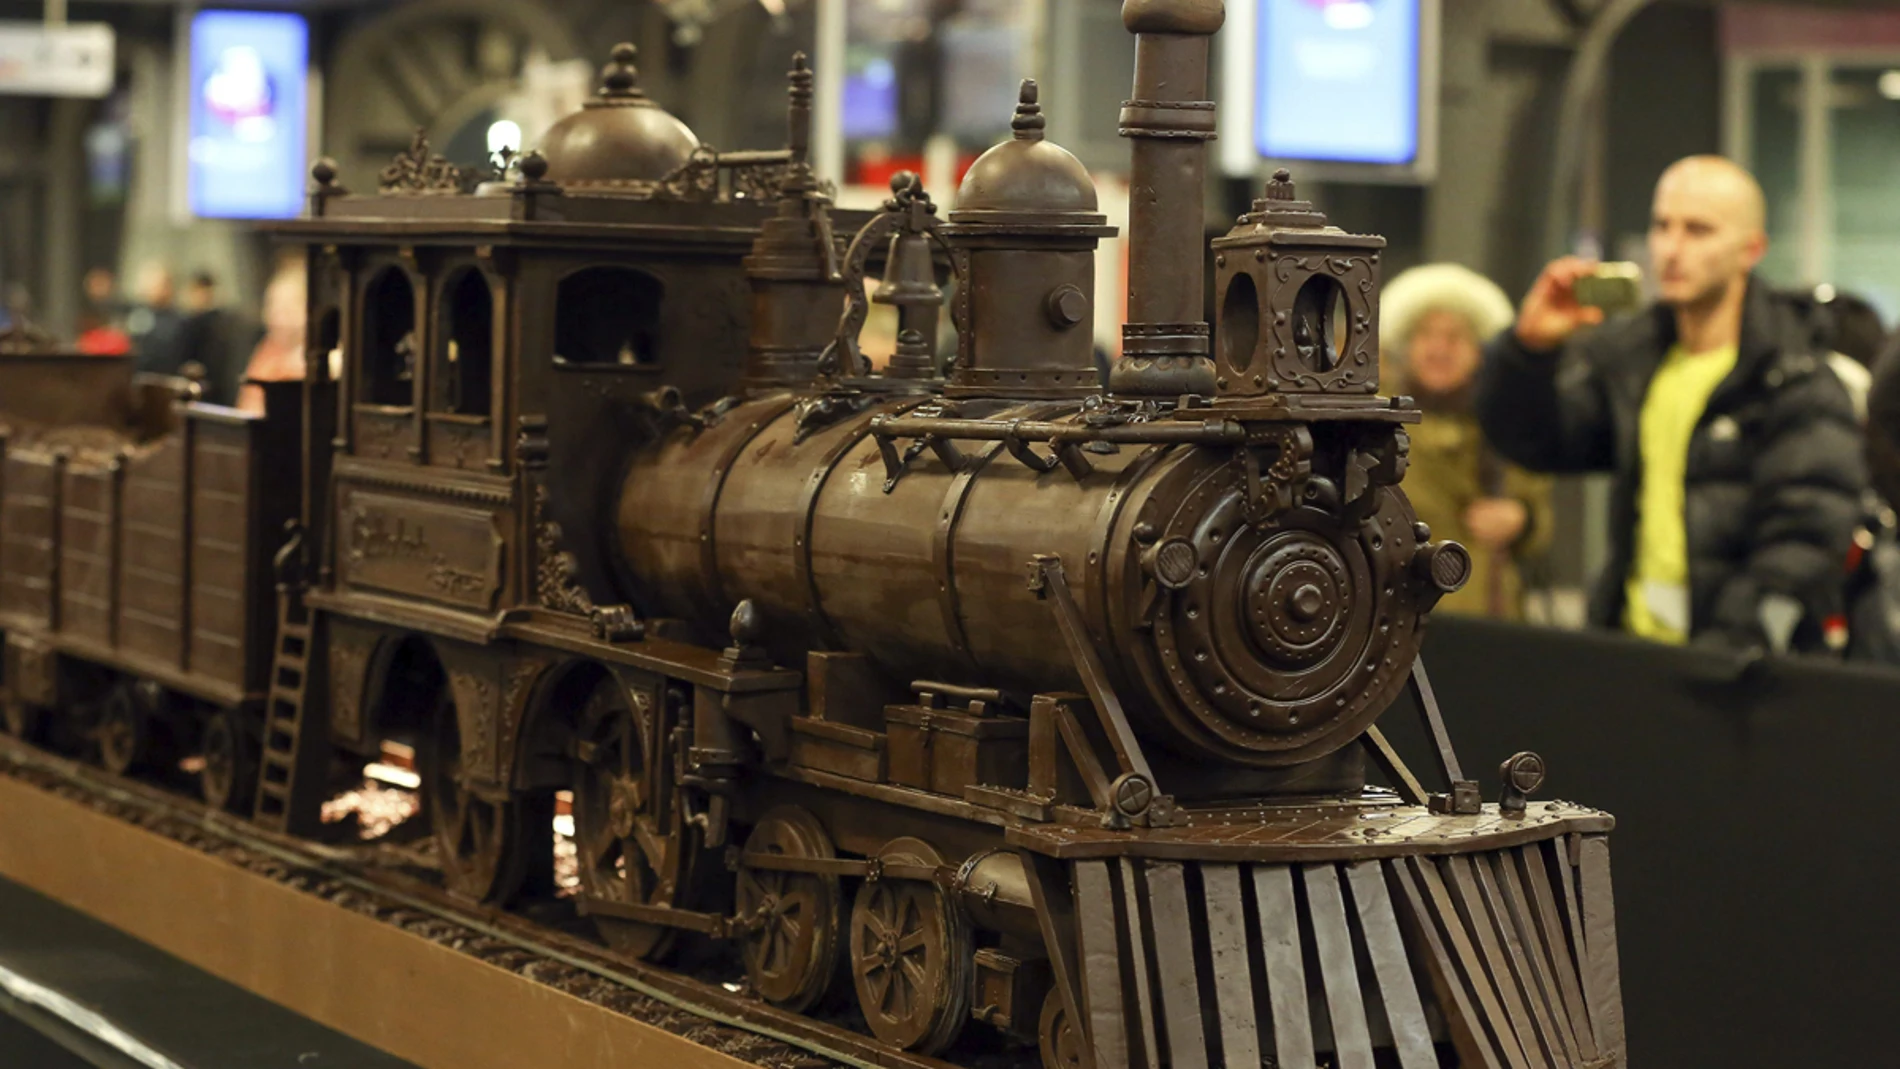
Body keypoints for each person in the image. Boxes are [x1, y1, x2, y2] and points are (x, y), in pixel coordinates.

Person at [1476, 155, 1865, 654]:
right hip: (1636, 653)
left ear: (1751, 249)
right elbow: (1535, 441)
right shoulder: (1637, 361)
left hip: (1740, 669)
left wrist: (1730, 645)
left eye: (1699, 230)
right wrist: (1530, 349)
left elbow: (1805, 540)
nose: (1672, 249)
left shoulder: (1793, 376)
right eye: (1662, 226)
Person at [1381, 263, 1553, 620]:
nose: (1439, 349)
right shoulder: (1374, 427)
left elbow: (1541, 517)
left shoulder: (1508, 426)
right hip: (1394, 617)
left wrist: (1521, 521)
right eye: (1426, 335)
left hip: (1489, 620)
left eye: (1455, 337)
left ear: (1480, 349)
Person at [236, 259, 306, 415]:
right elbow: (248, 404)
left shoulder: (325, 361)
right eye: (271, 308)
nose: (276, 318)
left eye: (287, 310)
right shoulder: (268, 348)